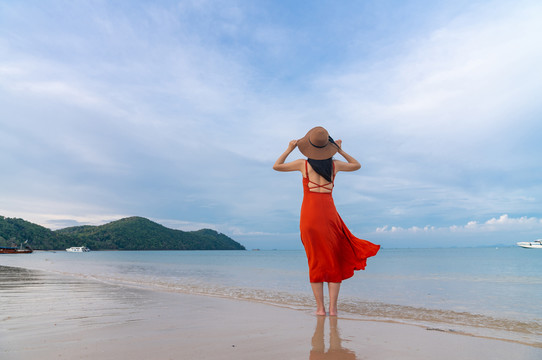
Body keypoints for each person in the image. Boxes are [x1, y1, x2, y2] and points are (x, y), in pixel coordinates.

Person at [273, 126, 380, 316]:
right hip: (329, 215)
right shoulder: (335, 165)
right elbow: (357, 165)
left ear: (309, 147)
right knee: (332, 260)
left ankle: (320, 309)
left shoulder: (302, 164)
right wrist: (340, 150)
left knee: (314, 260)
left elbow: (277, 166)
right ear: (328, 148)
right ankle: (333, 308)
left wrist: (289, 148)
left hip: (310, 216)